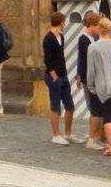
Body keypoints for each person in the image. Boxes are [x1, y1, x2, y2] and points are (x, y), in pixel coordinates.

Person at [87, 17, 111, 160]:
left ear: (99, 29)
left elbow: (91, 69)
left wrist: (90, 85)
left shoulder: (93, 47)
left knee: (107, 118)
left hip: (102, 85)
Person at [42, 12, 75, 145]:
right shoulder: (48, 39)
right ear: (61, 22)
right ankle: (56, 135)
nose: (65, 24)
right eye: (64, 21)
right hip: (53, 76)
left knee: (70, 105)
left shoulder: (61, 36)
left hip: (63, 74)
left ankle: (68, 133)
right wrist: (54, 76)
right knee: (55, 106)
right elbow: (47, 60)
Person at [75, 9, 106, 150]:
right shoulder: (84, 39)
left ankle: (94, 136)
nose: (99, 29)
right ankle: (92, 139)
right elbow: (86, 61)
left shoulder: (91, 38)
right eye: (98, 26)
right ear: (92, 24)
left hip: (91, 77)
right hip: (90, 79)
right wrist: (80, 76)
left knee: (96, 109)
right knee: (95, 109)